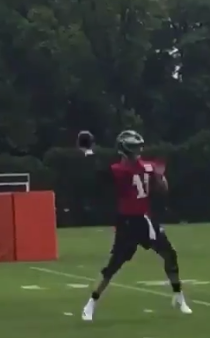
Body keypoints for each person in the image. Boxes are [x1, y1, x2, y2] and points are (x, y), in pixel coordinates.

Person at [75, 129, 192, 321]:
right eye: (133, 147)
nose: (137, 150)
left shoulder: (148, 166)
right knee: (113, 266)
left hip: (145, 219)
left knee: (169, 254)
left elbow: (164, 189)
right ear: (124, 149)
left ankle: (178, 296)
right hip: (127, 222)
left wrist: (161, 177)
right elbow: (96, 176)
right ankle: (91, 303)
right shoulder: (117, 170)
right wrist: (88, 153)